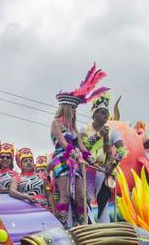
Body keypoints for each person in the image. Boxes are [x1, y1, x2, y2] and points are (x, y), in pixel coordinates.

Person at [51, 64, 109, 226]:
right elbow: (63, 143)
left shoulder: (74, 127)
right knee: (65, 195)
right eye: (73, 108)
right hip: (61, 160)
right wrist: (76, 154)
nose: (75, 112)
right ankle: (63, 225)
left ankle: (82, 226)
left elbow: (82, 148)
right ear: (67, 108)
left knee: (82, 196)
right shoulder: (56, 123)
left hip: (76, 163)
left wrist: (91, 160)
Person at [80, 94, 126, 222]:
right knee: (85, 199)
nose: (106, 115)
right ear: (94, 114)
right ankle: (89, 226)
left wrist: (113, 165)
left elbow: (122, 150)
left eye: (107, 112)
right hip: (86, 168)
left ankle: (105, 227)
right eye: (102, 112)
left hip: (104, 170)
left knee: (103, 202)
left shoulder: (113, 132)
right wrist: (100, 135)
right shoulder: (84, 129)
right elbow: (84, 146)